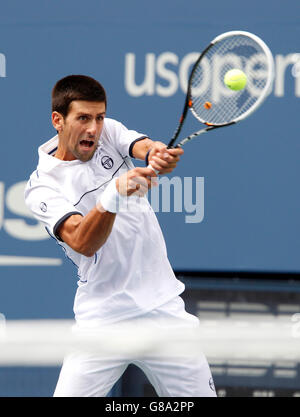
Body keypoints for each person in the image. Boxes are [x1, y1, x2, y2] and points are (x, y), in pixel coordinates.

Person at [24, 74, 216, 397]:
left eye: (98, 118)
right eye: (83, 118)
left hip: (163, 307)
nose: (93, 129)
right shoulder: (42, 186)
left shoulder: (108, 132)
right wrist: (115, 193)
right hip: (103, 318)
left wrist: (155, 153)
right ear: (58, 120)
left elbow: (142, 146)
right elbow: (84, 242)